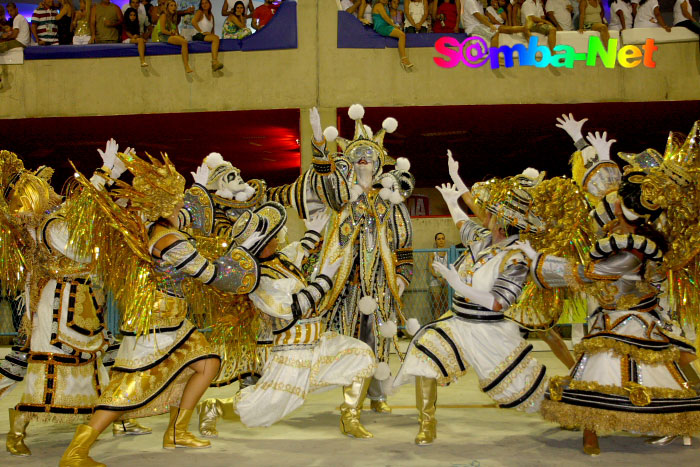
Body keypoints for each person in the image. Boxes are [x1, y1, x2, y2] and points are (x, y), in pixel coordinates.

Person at [59, 151, 263, 466]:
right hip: (156, 325)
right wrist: (245, 261)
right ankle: (76, 451)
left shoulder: (158, 226)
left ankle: (177, 432)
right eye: (178, 199)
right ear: (166, 206)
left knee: (207, 364)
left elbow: (190, 214)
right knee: (129, 387)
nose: (183, 204)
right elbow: (209, 274)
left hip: (173, 320)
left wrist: (204, 190)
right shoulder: (169, 240)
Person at [535, 114, 700, 455]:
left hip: (635, 314)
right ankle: (597, 428)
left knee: (624, 365)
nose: (611, 220)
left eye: (620, 213)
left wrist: (543, 267)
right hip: (617, 310)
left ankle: (662, 421)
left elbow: (599, 272)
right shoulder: (623, 230)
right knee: (613, 365)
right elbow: (604, 189)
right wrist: (582, 143)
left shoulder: (638, 246)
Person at [393, 156, 550, 446]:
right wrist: (453, 195)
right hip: (458, 323)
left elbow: (498, 303)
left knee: (522, 392)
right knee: (425, 352)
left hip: (489, 332)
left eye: (490, 212)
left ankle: (566, 410)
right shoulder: (481, 239)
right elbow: (462, 222)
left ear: (502, 222)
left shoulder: (516, 258)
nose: (483, 214)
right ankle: (427, 423)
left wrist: (457, 284)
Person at [219, 202, 378, 434]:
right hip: (291, 353)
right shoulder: (260, 281)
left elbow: (299, 250)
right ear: (263, 244)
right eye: (274, 234)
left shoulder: (279, 260)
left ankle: (350, 417)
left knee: (361, 355)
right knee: (260, 410)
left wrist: (313, 231)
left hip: (317, 343)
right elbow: (294, 308)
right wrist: (325, 278)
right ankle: (212, 409)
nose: (279, 236)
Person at [463, 0, 530, 48]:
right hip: (478, 25)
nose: (493, 2)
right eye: (492, 1)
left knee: (503, 28)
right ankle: (495, 58)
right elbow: (492, 20)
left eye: (495, 1)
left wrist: (498, 8)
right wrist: (494, 25)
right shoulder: (489, 9)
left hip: (495, 24)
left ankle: (523, 28)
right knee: (497, 31)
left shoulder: (498, 9)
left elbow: (505, 17)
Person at [373, 0, 414, 71]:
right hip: (381, 27)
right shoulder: (378, 5)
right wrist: (394, 26)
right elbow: (385, 17)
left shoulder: (384, 6)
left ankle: (404, 59)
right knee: (402, 35)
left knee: (402, 34)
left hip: (386, 26)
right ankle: (404, 59)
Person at [159, 0, 194, 72]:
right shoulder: (164, 15)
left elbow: (176, 29)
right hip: (164, 36)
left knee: (183, 39)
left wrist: (179, 35)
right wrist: (171, 33)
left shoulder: (174, 17)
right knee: (184, 42)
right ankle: (186, 66)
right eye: (171, 6)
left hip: (171, 35)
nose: (173, 7)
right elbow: (162, 30)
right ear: (167, 7)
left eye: (174, 6)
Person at [192, 0, 223, 71]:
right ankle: (214, 62)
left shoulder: (211, 16)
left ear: (209, 4)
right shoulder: (200, 12)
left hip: (206, 35)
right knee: (216, 38)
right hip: (198, 35)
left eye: (206, 3)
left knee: (216, 38)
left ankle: (215, 61)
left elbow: (212, 30)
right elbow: (193, 22)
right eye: (202, 3)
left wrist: (212, 35)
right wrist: (201, 32)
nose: (204, 5)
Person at [428, 232, 449, 319]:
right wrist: (438, 277)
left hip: (447, 281)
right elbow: (430, 268)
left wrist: (446, 278)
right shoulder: (432, 253)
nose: (441, 241)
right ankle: (438, 323)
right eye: (439, 239)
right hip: (435, 281)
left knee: (447, 304)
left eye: (443, 238)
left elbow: (451, 267)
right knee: (437, 305)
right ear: (436, 241)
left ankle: (446, 323)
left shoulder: (449, 252)